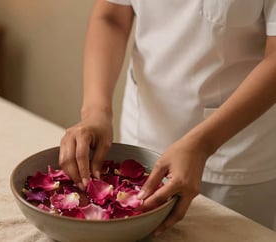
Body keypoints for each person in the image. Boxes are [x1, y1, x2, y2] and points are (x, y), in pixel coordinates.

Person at [59, 0, 276, 236]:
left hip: (233, 157)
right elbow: (111, 16)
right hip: (142, 134)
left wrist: (203, 144)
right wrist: (96, 112)